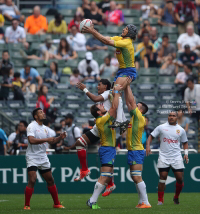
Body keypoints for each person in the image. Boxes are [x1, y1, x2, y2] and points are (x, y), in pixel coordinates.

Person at [24, 108, 66, 210]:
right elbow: (31, 140)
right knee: (33, 179)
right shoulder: (31, 126)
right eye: (41, 113)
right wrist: (47, 139)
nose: (43, 113)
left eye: (43, 112)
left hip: (43, 157)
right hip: (32, 156)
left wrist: (60, 138)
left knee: (50, 180)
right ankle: (27, 205)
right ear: (36, 116)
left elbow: (51, 141)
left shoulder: (45, 128)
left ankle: (56, 203)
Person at [86, 84, 121, 209]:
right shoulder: (101, 119)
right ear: (98, 112)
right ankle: (92, 200)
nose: (102, 104)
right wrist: (116, 92)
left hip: (108, 149)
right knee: (104, 176)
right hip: (107, 149)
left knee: (107, 175)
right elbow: (115, 107)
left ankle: (94, 199)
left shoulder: (102, 119)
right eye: (100, 105)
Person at [146, 111, 189, 205]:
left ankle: (176, 197)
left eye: (173, 116)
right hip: (164, 157)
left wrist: (186, 154)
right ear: (168, 117)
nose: (171, 117)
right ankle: (160, 200)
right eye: (170, 115)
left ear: (177, 118)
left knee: (180, 179)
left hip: (176, 157)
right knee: (162, 178)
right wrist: (148, 146)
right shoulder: (161, 127)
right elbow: (151, 136)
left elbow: (185, 142)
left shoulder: (181, 130)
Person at [82, 23, 138, 92]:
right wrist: (93, 31)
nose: (123, 29)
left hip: (128, 71)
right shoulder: (120, 39)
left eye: (126, 29)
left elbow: (106, 42)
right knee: (120, 95)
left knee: (114, 92)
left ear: (130, 33)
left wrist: (92, 31)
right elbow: (104, 38)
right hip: (122, 70)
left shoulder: (126, 43)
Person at [123, 78, 150, 208]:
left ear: (141, 110)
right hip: (133, 149)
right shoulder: (135, 116)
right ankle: (141, 201)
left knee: (136, 177)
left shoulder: (139, 116)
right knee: (135, 177)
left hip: (136, 149)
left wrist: (127, 85)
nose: (134, 106)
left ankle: (146, 202)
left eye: (137, 106)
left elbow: (131, 101)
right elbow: (129, 102)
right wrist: (124, 88)